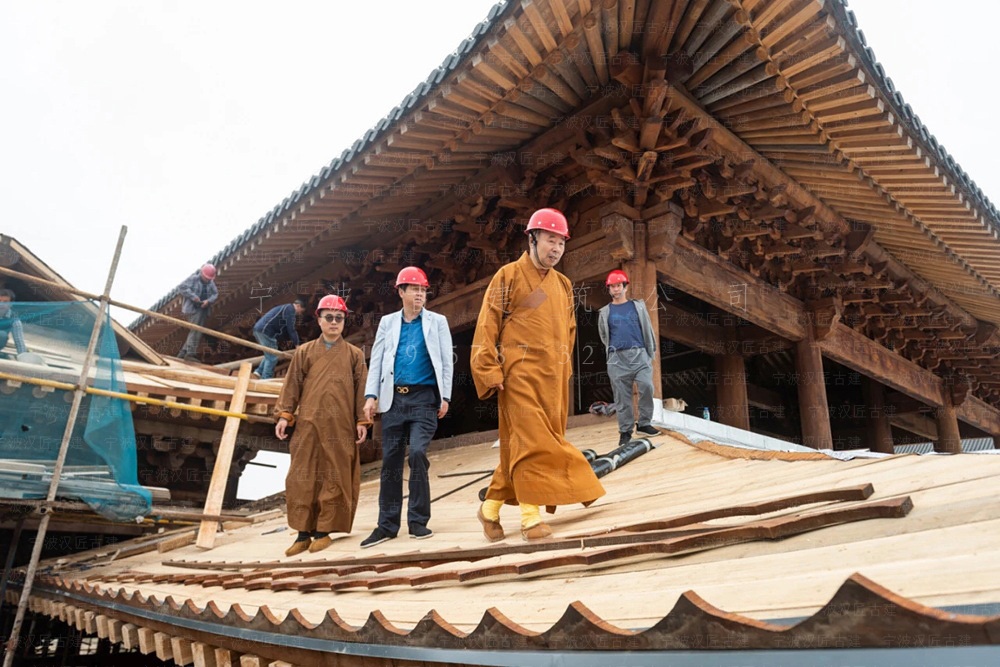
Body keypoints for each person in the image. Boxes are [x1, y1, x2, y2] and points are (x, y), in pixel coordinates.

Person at [470, 208, 605, 542]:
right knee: (532, 442)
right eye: (550, 240)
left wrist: (564, 372)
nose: (556, 249)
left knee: (531, 442)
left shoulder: (563, 285)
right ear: (532, 239)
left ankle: (489, 510)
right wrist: (489, 368)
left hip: (552, 377)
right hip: (518, 373)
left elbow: (569, 333)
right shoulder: (508, 275)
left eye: (561, 243)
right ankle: (530, 518)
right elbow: (488, 323)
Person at [360, 267, 453, 548]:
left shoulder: (438, 322)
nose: (420, 295)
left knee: (417, 453)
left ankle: (418, 521)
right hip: (393, 400)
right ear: (400, 292)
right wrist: (371, 395)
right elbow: (376, 360)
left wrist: (445, 397)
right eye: (414, 289)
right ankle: (386, 526)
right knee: (390, 461)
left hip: (425, 399)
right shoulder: (387, 323)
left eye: (423, 290)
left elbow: (447, 361)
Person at [274, 294, 369, 556]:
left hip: (340, 426)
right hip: (308, 424)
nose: (335, 322)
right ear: (319, 319)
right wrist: (284, 414)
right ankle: (303, 533)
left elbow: (363, 389)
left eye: (339, 318)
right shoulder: (304, 352)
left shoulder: (354, 354)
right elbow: (291, 386)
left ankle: (323, 531)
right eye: (329, 317)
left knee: (334, 475)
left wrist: (363, 419)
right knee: (302, 475)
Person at [598, 270, 659, 446]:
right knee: (621, 396)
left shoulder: (638, 306)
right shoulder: (604, 312)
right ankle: (625, 431)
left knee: (647, 386)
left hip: (639, 354)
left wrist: (650, 352)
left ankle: (645, 424)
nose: (616, 289)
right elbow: (604, 335)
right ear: (609, 289)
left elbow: (647, 328)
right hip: (617, 358)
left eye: (618, 286)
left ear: (625, 287)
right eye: (612, 287)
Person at [252, 299, 305, 379]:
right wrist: (297, 344)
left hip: (260, 329)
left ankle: (258, 371)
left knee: (270, 353)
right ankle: (265, 379)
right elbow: (291, 329)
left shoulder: (285, 307)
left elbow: (285, 330)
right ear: (298, 306)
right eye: (301, 311)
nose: (300, 313)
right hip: (265, 331)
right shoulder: (290, 309)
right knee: (273, 356)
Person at [176, 264, 218, 361]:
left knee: (196, 330)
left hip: (203, 308)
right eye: (206, 278)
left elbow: (215, 294)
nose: (207, 280)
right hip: (193, 308)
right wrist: (193, 296)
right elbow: (182, 287)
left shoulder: (211, 282)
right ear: (202, 274)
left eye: (209, 279)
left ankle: (183, 353)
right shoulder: (194, 279)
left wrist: (208, 301)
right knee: (196, 329)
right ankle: (190, 353)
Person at [0, 289, 28, 356]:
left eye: (5, 302)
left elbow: (19, 340)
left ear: (11, 304)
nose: (1, 304)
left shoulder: (14, 320)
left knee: (2, 335)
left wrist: (23, 356)